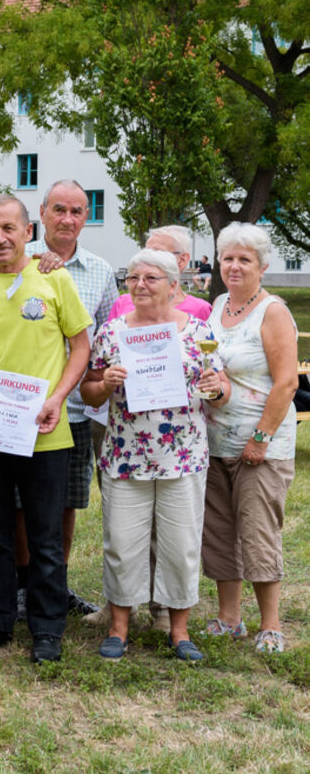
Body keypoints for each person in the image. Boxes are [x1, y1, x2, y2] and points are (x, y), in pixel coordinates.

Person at [0, 194, 91, 664]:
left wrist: (57, 398)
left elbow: (80, 347)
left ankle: (48, 629)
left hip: (45, 432)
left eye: (8, 228)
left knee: (46, 538)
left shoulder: (54, 280)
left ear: (28, 231)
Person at [80, 249, 228, 662]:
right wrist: (104, 382)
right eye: (133, 278)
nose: (140, 285)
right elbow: (88, 390)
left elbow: (220, 390)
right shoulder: (112, 332)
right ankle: (119, 627)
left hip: (182, 456)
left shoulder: (198, 330)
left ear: (172, 284)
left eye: (151, 278)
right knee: (122, 543)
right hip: (126, 455)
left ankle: (178, 631)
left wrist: (215, 386)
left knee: (180, 544)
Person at [24, 180, 118, 617]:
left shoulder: (100, 271)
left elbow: (107, 339)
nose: (67, 219)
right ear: (41, 213)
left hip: (75, 410)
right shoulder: (17, 262)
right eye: (58, 209)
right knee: (19, 504)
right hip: (18, 406)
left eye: (77, 211)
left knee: (64, 501)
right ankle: (24, 586)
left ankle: (54, 585)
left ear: (86, 217)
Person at [203, 223, 298, 653]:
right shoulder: (219, 303)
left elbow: (287, 383)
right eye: (228, 258)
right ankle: (229, 618)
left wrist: (261, 438)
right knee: (220, 531)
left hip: (260, 446)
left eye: (244, 259)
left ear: (262, 266)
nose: (234, 266)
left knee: (259, 532)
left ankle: (271, 625)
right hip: (215, 440)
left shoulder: (273, 311)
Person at [107, 226, 211, 322]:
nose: (148, 259)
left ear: (182, 260)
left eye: (158, 253)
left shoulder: (200, 310)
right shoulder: (123, 303)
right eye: (146, 252)